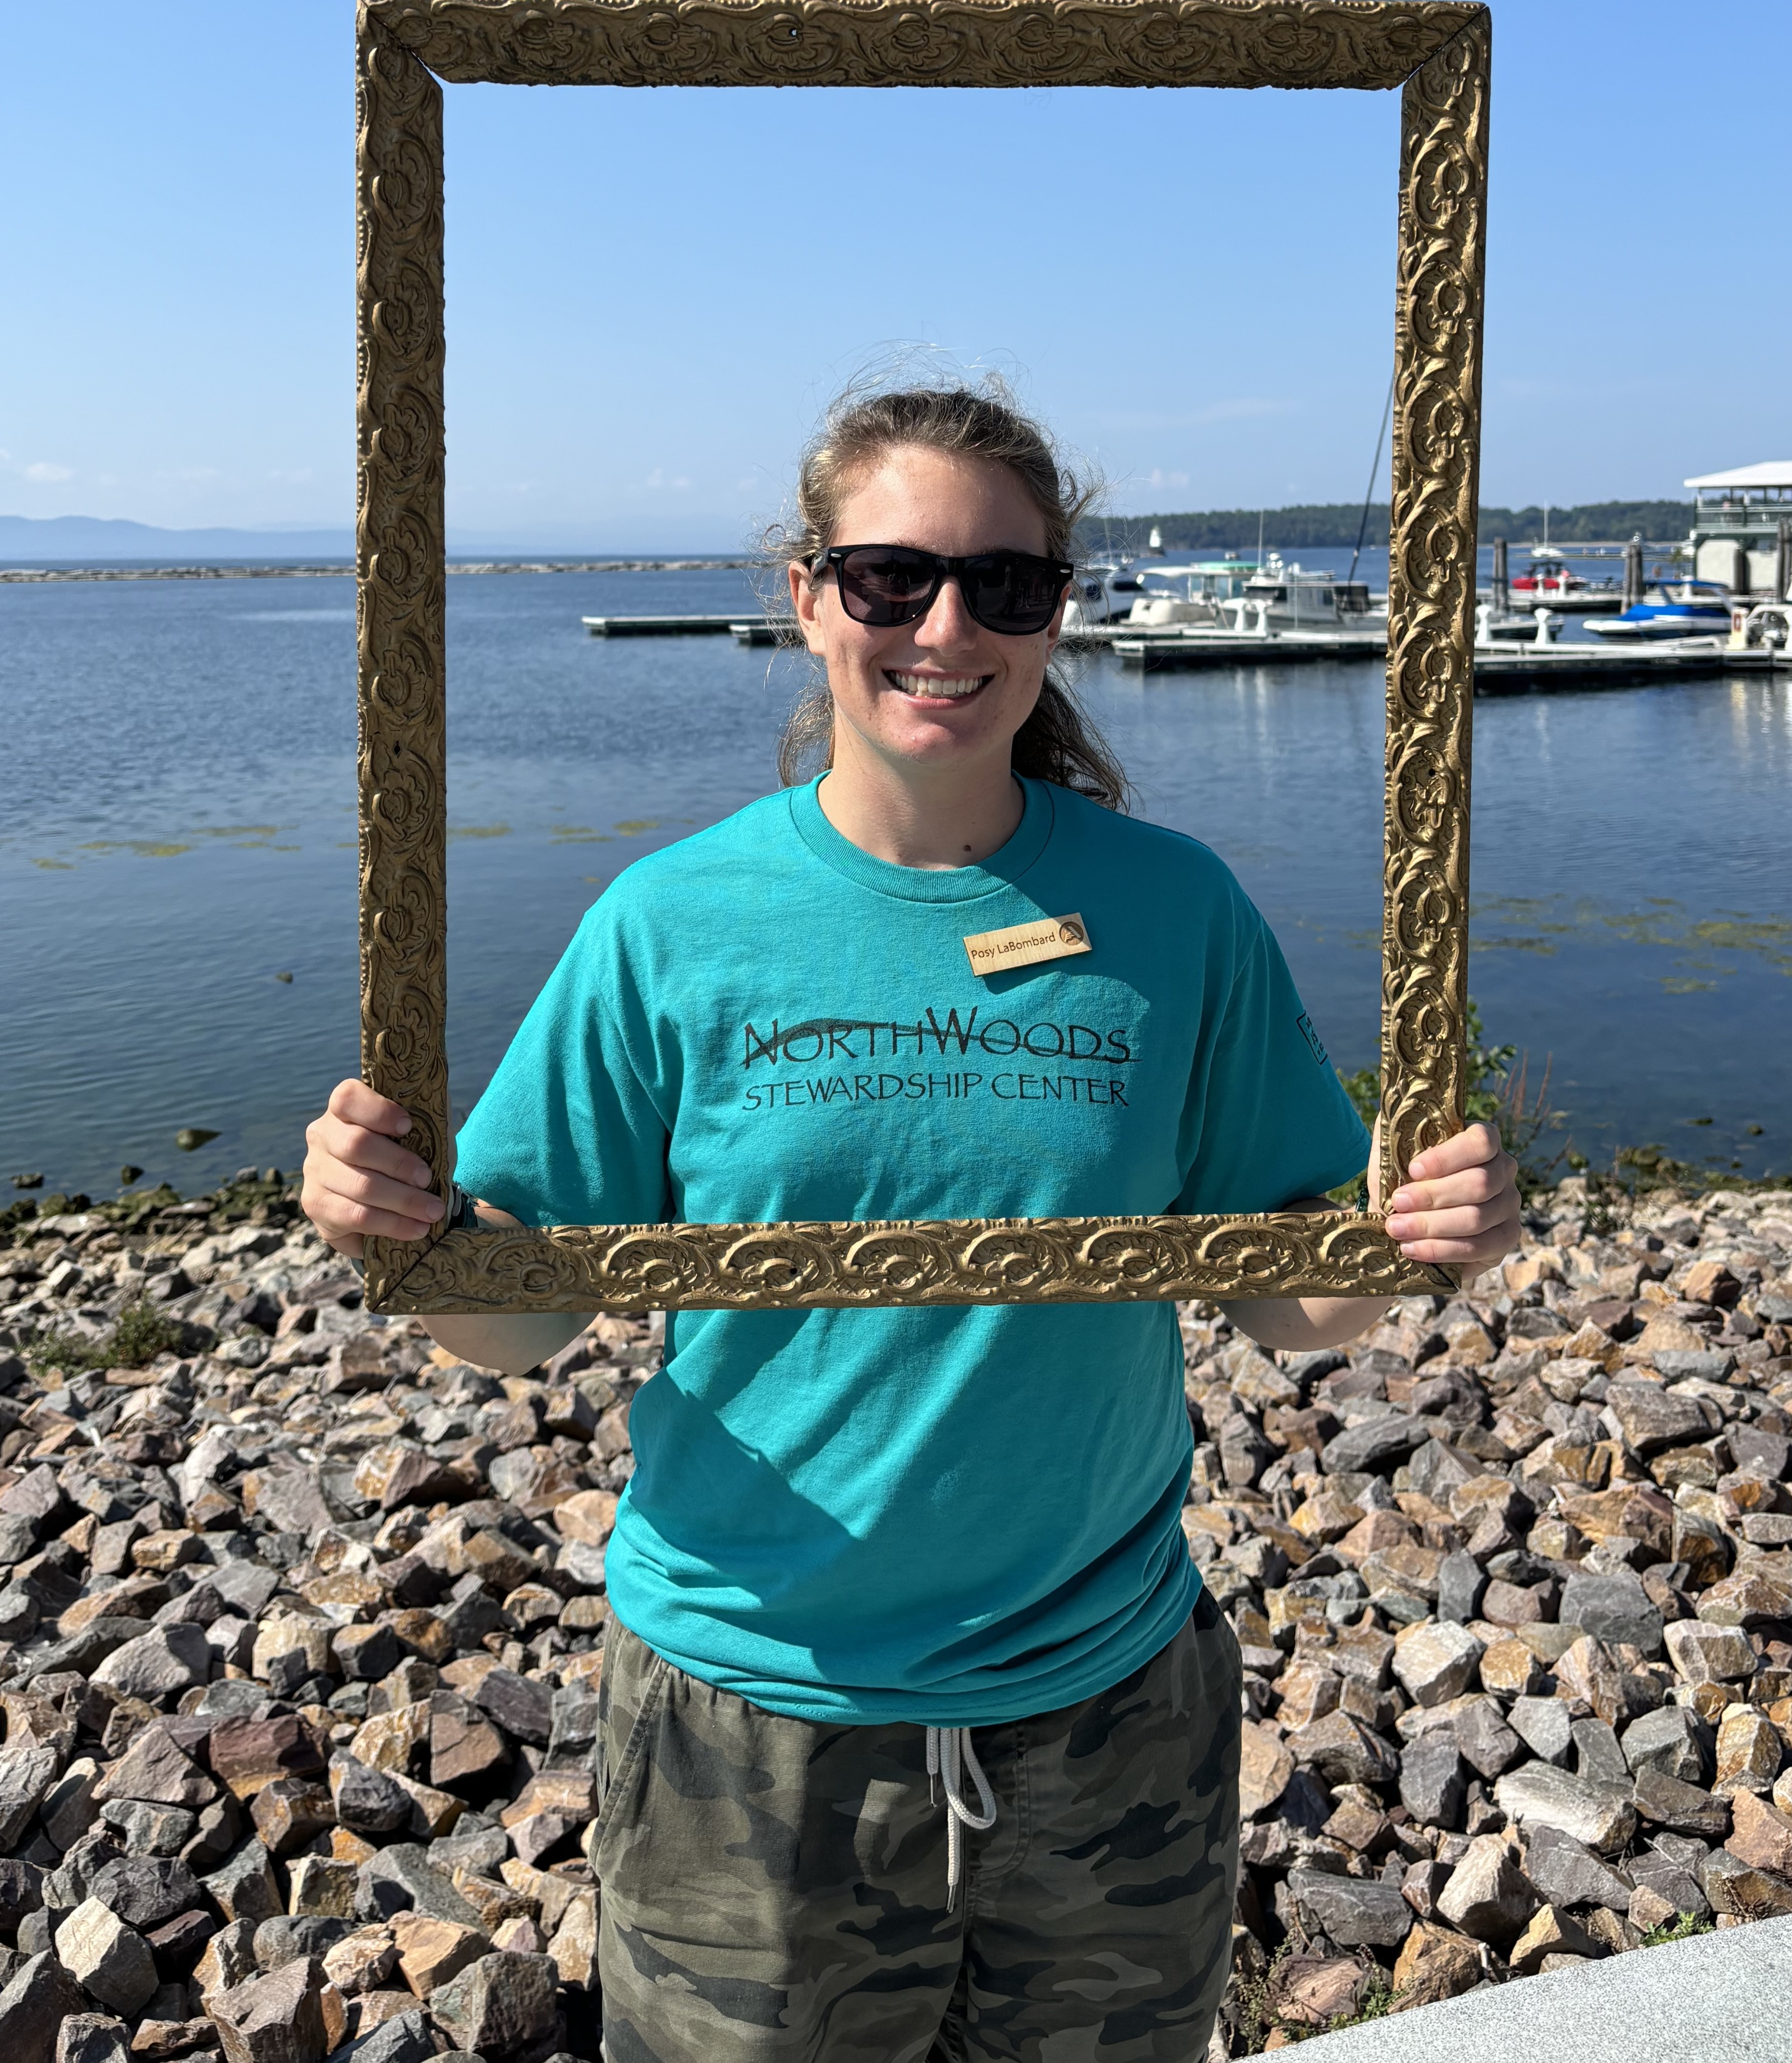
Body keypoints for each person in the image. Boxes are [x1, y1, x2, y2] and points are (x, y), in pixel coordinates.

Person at [303, 383, 1519, 2063]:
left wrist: (1414, 1234)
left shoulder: (1179, 912)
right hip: (755, 1722)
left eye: (1003, 585)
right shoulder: (669, 925)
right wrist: (394, 1230)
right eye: (890, 578)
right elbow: (515, 1309)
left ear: (1055, 612)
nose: (946, 626)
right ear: (809, 599)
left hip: (1107, 1709)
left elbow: (1286, 1297)